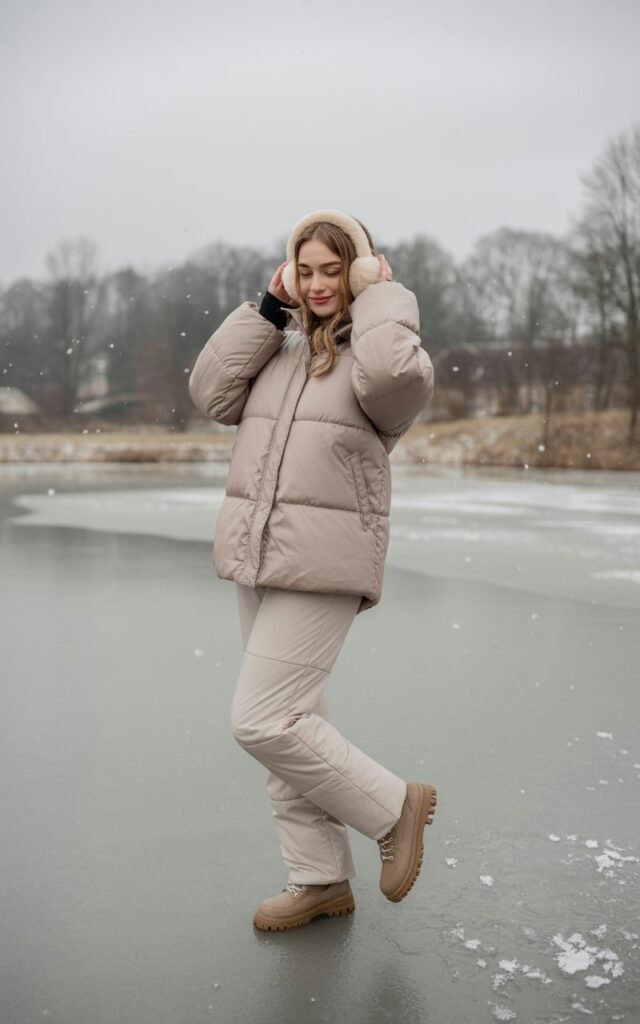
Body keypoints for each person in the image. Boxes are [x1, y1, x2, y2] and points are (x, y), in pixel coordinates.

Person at [188, 209, 437, 932]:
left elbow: (394, 379)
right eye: (306, 270)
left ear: (358, 269)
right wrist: (268, 312)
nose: (319, 284)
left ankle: (393, 809)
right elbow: (210, 394)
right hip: (260, 552)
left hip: (326, 559)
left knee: (263, 720)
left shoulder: (382, 351)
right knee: (295, 726)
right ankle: (320, 877)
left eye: (334, 269)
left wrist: (380, 294)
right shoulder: (281, 346)